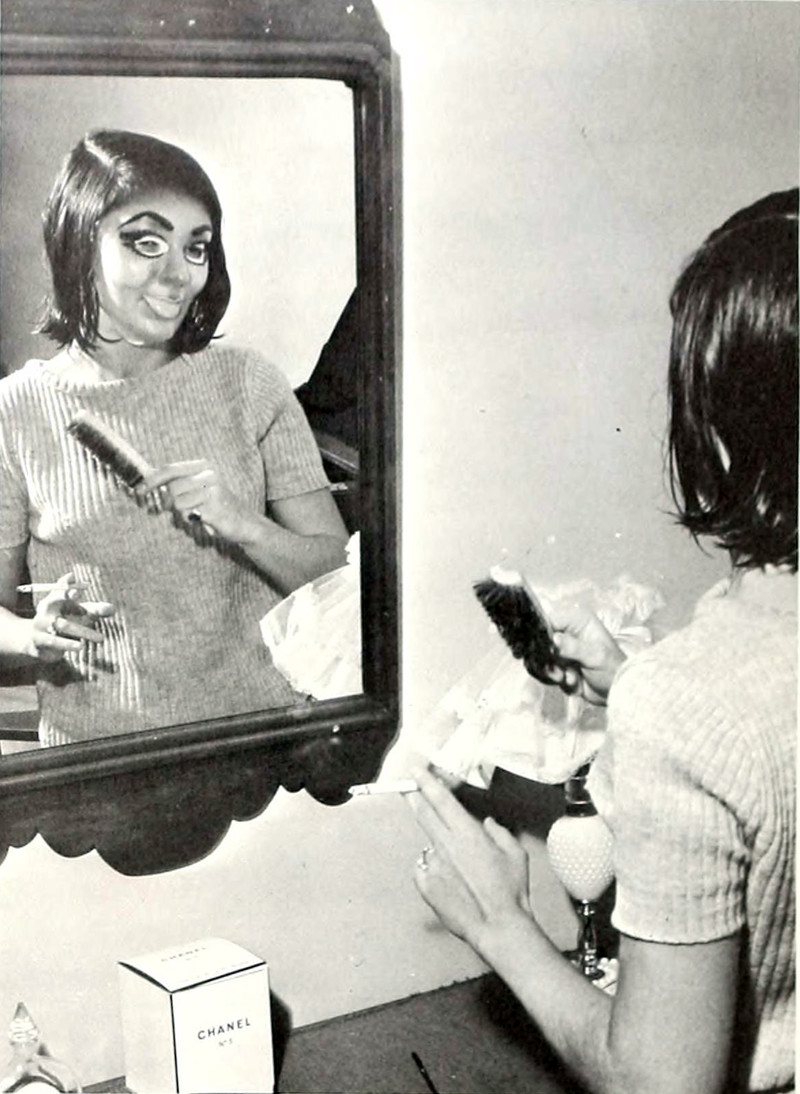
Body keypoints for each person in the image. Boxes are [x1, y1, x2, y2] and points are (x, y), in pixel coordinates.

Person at [410, 189, 797, 1094]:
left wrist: (500, 923)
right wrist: (634, 685)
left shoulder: (688, 705)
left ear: (717, 435)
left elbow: (657, 1083)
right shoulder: (690, 698)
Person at [0, 129, 349, 747]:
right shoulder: (15, 411)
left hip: (262, 743)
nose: (177, 275)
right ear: (80, 242)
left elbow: (338, 579)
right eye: (146, 242)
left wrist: (246, 527)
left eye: (196, 248)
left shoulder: (249, 382)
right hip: (102, 762)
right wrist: (33, 634)